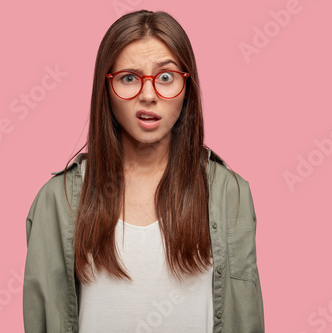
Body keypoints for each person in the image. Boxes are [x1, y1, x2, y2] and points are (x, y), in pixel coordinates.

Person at [23, 9, 264, 333]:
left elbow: (246, 318)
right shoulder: (58, 201)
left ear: (187, 86)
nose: (148, 95)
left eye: (165, 77)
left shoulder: (230, 193)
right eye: (129, 78)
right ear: (106, 89)